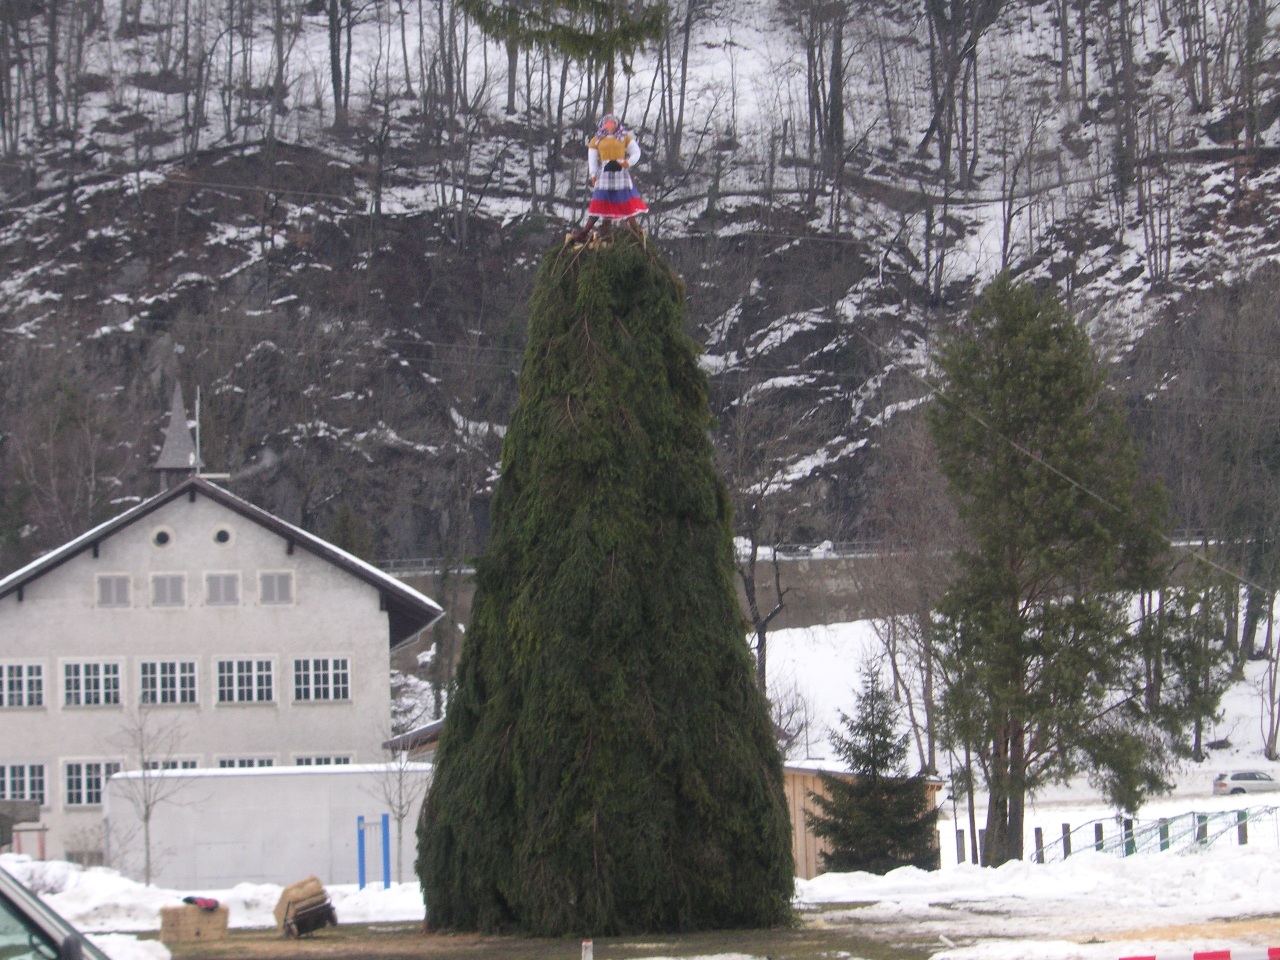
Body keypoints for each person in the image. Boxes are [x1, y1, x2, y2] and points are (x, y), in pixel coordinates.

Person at [571, 113, 648, 242]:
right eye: (607, 124)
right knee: (600, 200)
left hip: (620, 171)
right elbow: (592, 159)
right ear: (603, 125)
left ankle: (636, 230)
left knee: (624, 199)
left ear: (616, 125)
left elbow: (636, 152)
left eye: (612, 123)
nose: (610, 126)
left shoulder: (624, 137)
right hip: (605, 172)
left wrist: (627, 162)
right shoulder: (596, 140)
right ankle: (584, 232)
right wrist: (593, 174)